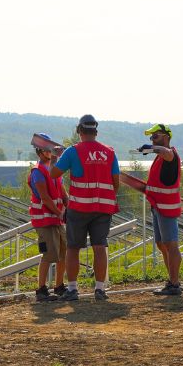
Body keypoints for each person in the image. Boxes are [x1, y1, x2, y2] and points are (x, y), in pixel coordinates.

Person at [50, 114, 120, 301]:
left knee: (73, 248)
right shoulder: (109, 152)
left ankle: (72, 289)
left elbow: (54, 173)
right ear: (95, 131)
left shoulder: (73, 151)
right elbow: (116, 183)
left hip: (79, 207)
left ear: (79, 131)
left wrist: (55, 157)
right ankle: (100, 289)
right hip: (103, 207)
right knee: (100, 247)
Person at [138, 123, 183, 296]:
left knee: (171, 244)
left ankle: (174, 283)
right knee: (162, 244)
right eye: (151, 138)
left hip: (166, 207)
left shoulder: (170, 154)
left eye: (155, 136)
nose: (152, 140)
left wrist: (152, 148)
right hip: (158, 206)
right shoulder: (160, 158)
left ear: (166, 136)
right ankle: (172, 280)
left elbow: (167, 153)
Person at [28, 134, 69, 302]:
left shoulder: (54, 170)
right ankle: (41, 289)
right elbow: (45, 198)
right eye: (47, 149)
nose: (50, 152)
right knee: (48, 254)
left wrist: (69, 208)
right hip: (44, 220)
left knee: (62, 253)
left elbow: (62, 192)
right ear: (40, 151)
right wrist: (60, 213)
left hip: (56, 219)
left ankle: (59, 286)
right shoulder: (38, 172)